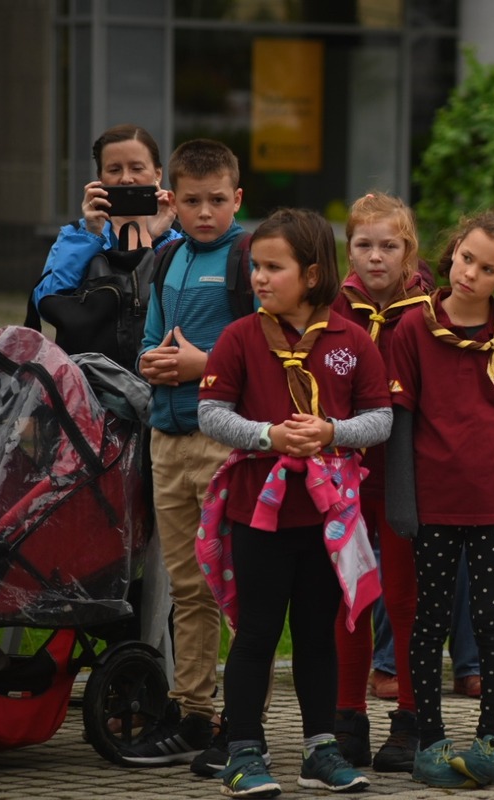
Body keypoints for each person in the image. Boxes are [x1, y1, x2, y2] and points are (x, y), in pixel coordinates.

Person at [196, 207, 391, 797]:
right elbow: (210, 413)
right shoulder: (238, 337)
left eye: (273, 268)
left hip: (325, 518)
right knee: (255, 633)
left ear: (311, 274)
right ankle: (244, 751)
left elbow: (380, 418)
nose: (259, 278)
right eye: (256, 266)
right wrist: (268, 436)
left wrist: (332, 432)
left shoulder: (350, 340)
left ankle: (319, 749)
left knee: (315, 633)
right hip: (259, 512)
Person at [385, 210, 494, 789]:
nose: (470, 273)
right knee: (428, 620)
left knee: (491, 621)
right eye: (465, 258)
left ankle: (487, 735)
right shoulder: (413, 330)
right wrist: (401, 504)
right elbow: (400, 423)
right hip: (432, 505)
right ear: (452, 251)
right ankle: (429, 735)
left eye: (487, 268)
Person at [119, 138, 245, 767]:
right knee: (189, 589)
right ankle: (194, 715)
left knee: (239, 589)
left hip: (224, 440)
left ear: (237, 199)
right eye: (191, 200)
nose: (204, 213)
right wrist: (151, 360)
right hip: (167, 441)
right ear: (173, 198)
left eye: (216, 201)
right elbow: (147, 339)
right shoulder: (167, 256)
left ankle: (242, 726)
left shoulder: (251, 255)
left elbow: (268, 347)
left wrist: (203, 365)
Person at [328, 192, 431, 769]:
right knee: (351, 597)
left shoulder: (430, 311)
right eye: (363, 245)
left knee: (404, 597)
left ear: (408, 250)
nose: (375, 257)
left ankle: (411, 719)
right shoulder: (334, 309)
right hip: (346, 475)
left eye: (388, 246)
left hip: (405, 476)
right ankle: (348, 718)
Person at [31, 123, 179, 315]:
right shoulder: (76, 234)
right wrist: (90, 236)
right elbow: (45, 302)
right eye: (114, 169)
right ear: (100, 177)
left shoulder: (178, 236)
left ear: (157, 174)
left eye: (136, 168)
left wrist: (163, 238)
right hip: (91, 345)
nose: (126, 178)